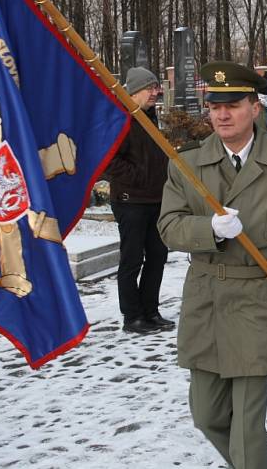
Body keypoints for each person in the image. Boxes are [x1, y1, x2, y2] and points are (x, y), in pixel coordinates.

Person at [157, 61, 267, 468]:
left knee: (246, 427)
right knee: (207, 416)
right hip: (206, 301)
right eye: (214, 105)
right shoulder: (186, 163)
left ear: (256, 108)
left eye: (233, 104)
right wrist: (210, 229)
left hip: (259, 300)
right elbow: (168, 226)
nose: (221, 114)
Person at [104, 67, 172, 334]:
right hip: (130, 200)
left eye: (156, 87)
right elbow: (108, 161)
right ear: (133, 91)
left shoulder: (151, 117)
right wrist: (139, 177)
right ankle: (132, 316)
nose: (155, 93)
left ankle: (151, 311)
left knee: (158, 256)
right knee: (132, 259)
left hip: (156, 199)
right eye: (150, 88)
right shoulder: (119, 119)